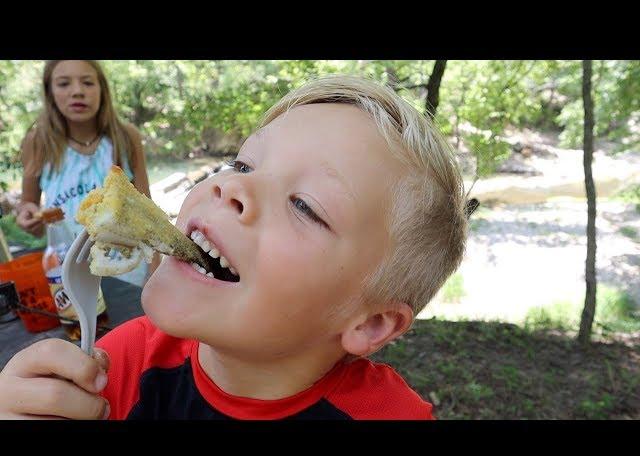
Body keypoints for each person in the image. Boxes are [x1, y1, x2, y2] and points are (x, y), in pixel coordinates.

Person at [0, 75, 468, 420]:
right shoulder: (115, 367)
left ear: (371, 322)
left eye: (305, 205)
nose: (230, 187)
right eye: (242, 164)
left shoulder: (387, 415)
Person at [14, 60, 160, 285]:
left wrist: (155, 272)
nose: (77, 91)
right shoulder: (37, 143)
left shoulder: (125, 136)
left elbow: (147, 212)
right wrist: (28, 216)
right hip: (71, 277)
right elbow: (29, 208)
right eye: (63, 84)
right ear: (49, 92)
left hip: (129, 274)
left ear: (102, 89)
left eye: (88, 83)